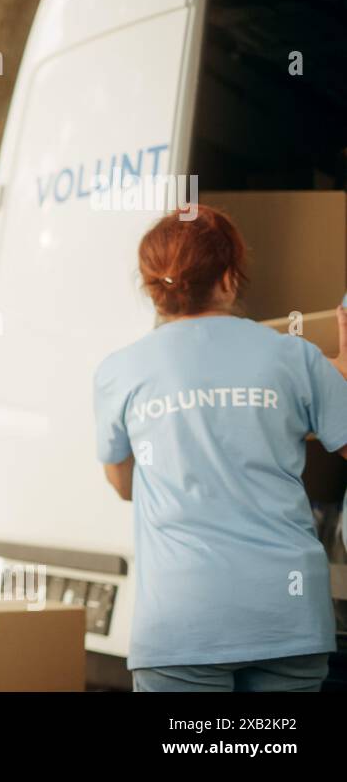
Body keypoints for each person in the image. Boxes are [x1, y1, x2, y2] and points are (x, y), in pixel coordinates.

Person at [93, 204, 347, 692]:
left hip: (181, 622)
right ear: (229, 278)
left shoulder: (119, 371)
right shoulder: (293, 356)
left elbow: (123, 485)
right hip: (287, 617)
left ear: (154, 287)